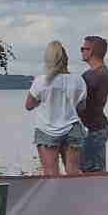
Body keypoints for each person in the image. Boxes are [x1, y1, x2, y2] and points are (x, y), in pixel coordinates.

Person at [26, 40, 86, 175]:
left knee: (51, 173)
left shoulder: (41, 81)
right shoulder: (78, 80)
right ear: (66, 59)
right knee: (73, 172)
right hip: (72, 128)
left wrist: (43, 99)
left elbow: (29, 106)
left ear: (48, 60)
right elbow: (82, 107)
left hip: (46, 130)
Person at [77, 35, 108, 173]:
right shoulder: (102, 72)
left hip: (94, 130)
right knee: (95, 170)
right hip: (98, 127)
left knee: (91, 171)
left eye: (83, 48)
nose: (81, 51)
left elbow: (80, 103)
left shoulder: (92, 76)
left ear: (91, 51)